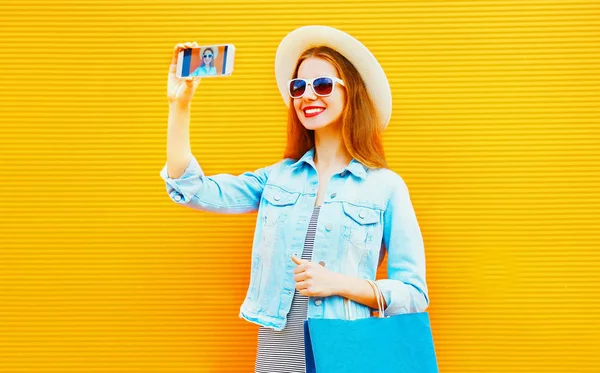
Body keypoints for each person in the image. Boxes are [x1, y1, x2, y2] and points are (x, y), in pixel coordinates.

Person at [161, 25, 430, 373]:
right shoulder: (278, 178)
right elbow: (194, 189)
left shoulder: (385, 187)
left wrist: (339, 284)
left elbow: (414, 294)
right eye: (298, 87)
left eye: (322, 85)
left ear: (353, 94)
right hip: (277, 354)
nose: (307, 96)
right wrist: (179, 105)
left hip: (345, 353)